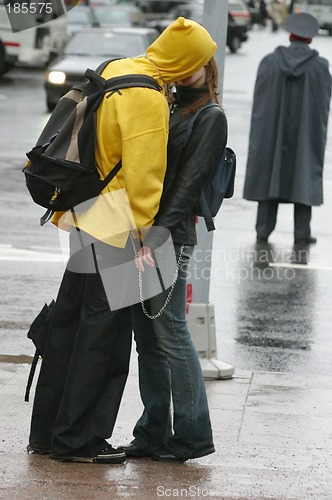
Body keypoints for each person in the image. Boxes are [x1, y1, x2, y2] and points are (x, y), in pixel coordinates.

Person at [26, 17, 218, 464]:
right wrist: (147, 239)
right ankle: (80, 440)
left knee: (70, 326)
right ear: (187, 61)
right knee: (104, 337)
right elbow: (145, 178)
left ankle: (49, 433)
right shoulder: (149, 97)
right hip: (121, 229)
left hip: (85, 215)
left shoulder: (117, 68)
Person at [119, 57, 228, 462]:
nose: (185, 71)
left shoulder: (211, 116)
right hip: (139, 232)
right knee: (147, 339)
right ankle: (152, 431)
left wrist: (159, 235)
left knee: (171, 334)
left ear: (209, 69)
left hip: (168, 235)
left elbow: (189, 182)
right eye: (179, 64)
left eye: (194, 65)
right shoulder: (167, 106)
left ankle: (194, 434)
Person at [243, 13, 332, 245]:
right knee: (304, 171)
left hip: (271, 133)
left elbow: (260, 104)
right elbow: (322, 106)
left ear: (290, 36)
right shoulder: (320, 68)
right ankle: (301, 232)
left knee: (269, 174)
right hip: (306, 133)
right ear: (310, 40)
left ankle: (263, 229)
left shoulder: (269, 62)